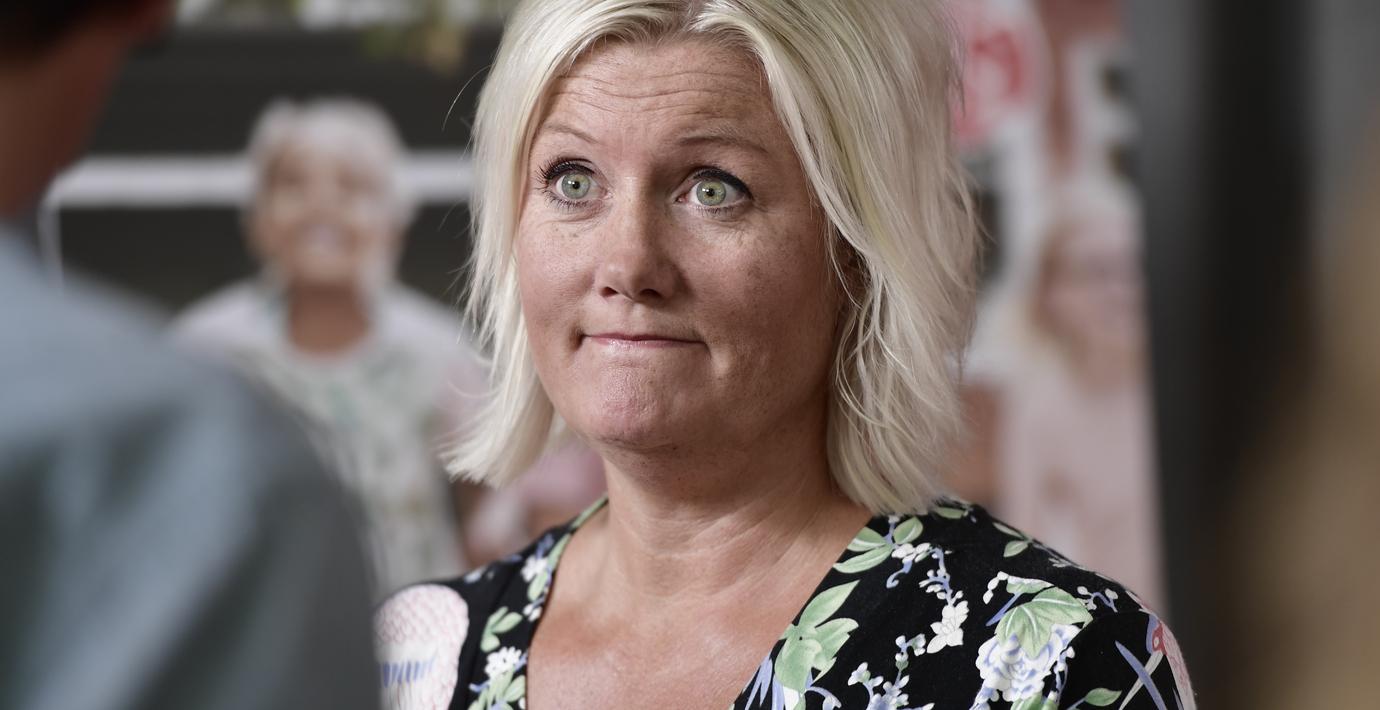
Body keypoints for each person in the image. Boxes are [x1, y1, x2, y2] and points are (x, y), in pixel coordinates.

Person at [374, 1, 1194, 708]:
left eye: (713, 188)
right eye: (573, 181)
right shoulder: (415, 662)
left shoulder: (1056, 661)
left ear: (860, 251)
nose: (627, 264)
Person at [0, 3, 379, 709]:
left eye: (351, 187)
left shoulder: (439, 361)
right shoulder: (207, 451)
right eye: (295, 184)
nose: (323, 208)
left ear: (392, 215)